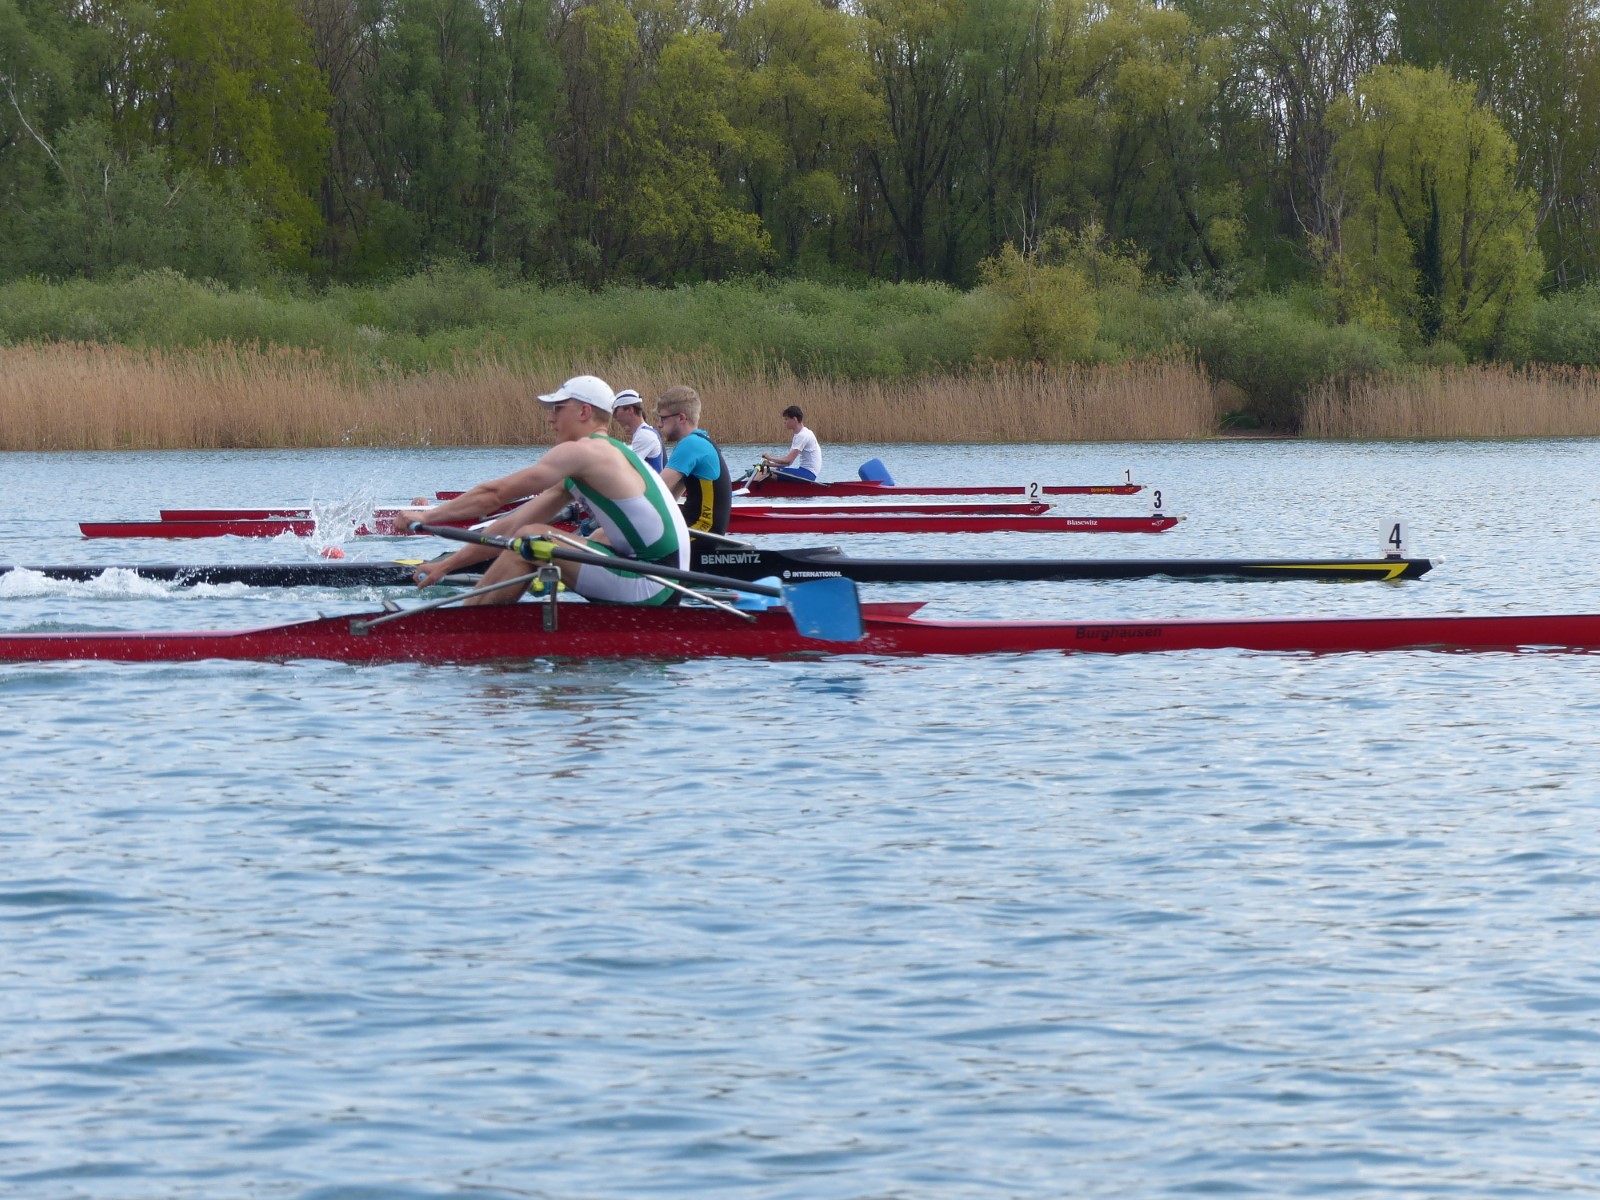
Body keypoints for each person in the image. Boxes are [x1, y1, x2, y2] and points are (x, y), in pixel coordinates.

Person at [398, 374, 689, 605]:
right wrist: (447, 565)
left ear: (584, 411)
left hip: (655, 582)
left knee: (533, 538)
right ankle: (474, 622)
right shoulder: (604, 455)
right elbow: (511, 524)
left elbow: (495, 495)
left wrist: (427, 517)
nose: (551, 417)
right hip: (664, 577)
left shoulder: (584, 452)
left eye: (558, 408)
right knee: (527, 535)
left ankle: (468, 630)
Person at [655, 385, 732, 535]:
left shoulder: (691, 445)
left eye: (663, 418)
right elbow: (668, 499)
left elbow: (655, 490)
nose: (659, 424)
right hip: (700, 533)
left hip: (701, 535)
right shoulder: (701, 440)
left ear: (681, 418)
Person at [757, 405, 823, 481]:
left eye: (786, 419)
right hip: (804, 471)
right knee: (766, 470)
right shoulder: (799, 434)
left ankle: (749, 487)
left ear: (794, 419)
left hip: (808, 474)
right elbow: (788, 463)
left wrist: (770, 458)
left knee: (764, 472)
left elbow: (788, 460)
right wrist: (770, 464)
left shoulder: (803, 435)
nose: (784, 422)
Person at [611, 388, 664, 472]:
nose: (614, 416)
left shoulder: (644, 435)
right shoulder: (645, 432)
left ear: (630, 410)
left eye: (615, 410)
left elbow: (624, 470)